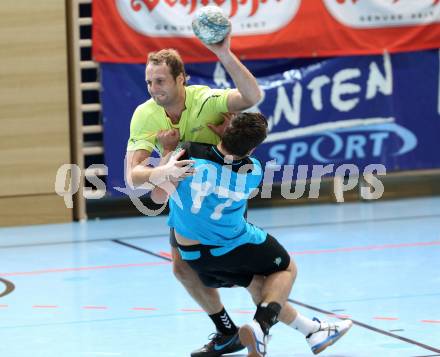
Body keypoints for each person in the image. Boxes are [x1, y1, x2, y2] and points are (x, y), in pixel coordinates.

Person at [151, 113, 353, 356]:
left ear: (224, 131)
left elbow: (157, 197)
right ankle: (261, 327)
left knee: (261, 284)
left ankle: (312, 331)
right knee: (287, 269)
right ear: (254, 147)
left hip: (195, 254)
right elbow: (229, 161)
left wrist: (168, 151)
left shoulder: (187, 154)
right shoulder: (253, 171)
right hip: (232, 244)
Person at [125, 33, 262, 356]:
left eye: (160, 81)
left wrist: (223, 52)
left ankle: (265, 325)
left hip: (222, 199)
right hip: (186, 202)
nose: (153, 88)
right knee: (182, 268)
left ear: (181, 79)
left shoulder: (205, 101)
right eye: (148, 82)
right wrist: (163, 169)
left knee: (242, 270)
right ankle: (228, 331)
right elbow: (134, 175)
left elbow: (251, 95)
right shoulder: (145, 115)